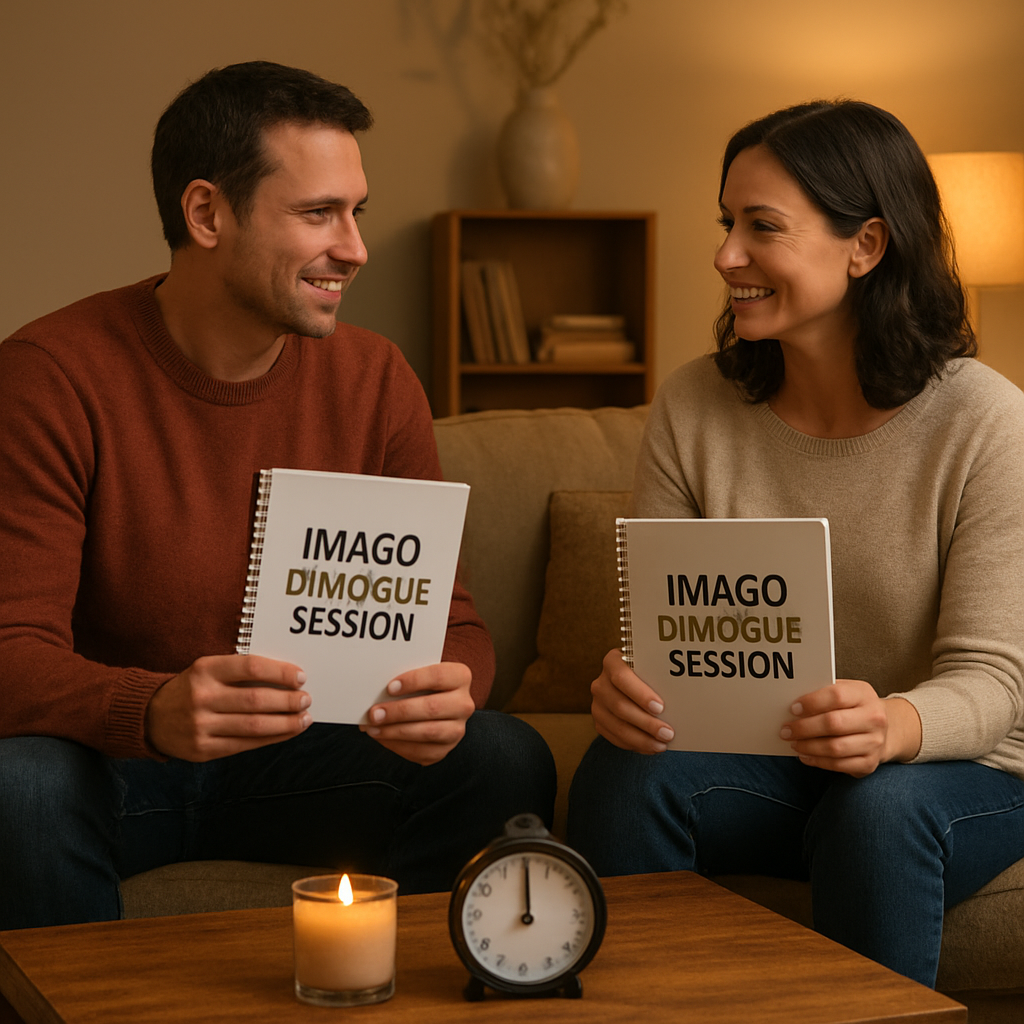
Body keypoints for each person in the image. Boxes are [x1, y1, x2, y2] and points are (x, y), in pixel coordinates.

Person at [0, 61, 555, 930]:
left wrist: (454, 687)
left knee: (500, 755)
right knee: (19, 782)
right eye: (317, 214)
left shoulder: (374, 380)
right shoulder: (51, 377)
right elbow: (10, 649)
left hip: (306, 763)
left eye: (356, 211)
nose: (356, 247)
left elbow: (456, 624)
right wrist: (147, 709)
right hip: (112, 767)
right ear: (205, 213)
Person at [567, 100, 1024, 987]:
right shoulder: (696, 406)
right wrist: (629, 688)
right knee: (624, 771)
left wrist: (890, 724)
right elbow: (667, 644)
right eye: (726, 222)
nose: (725, 254)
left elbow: (995, 685)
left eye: (761, 227)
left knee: (878, 811)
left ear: (867, 246)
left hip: (964, 771)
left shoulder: (985, 420)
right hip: (774, 760)